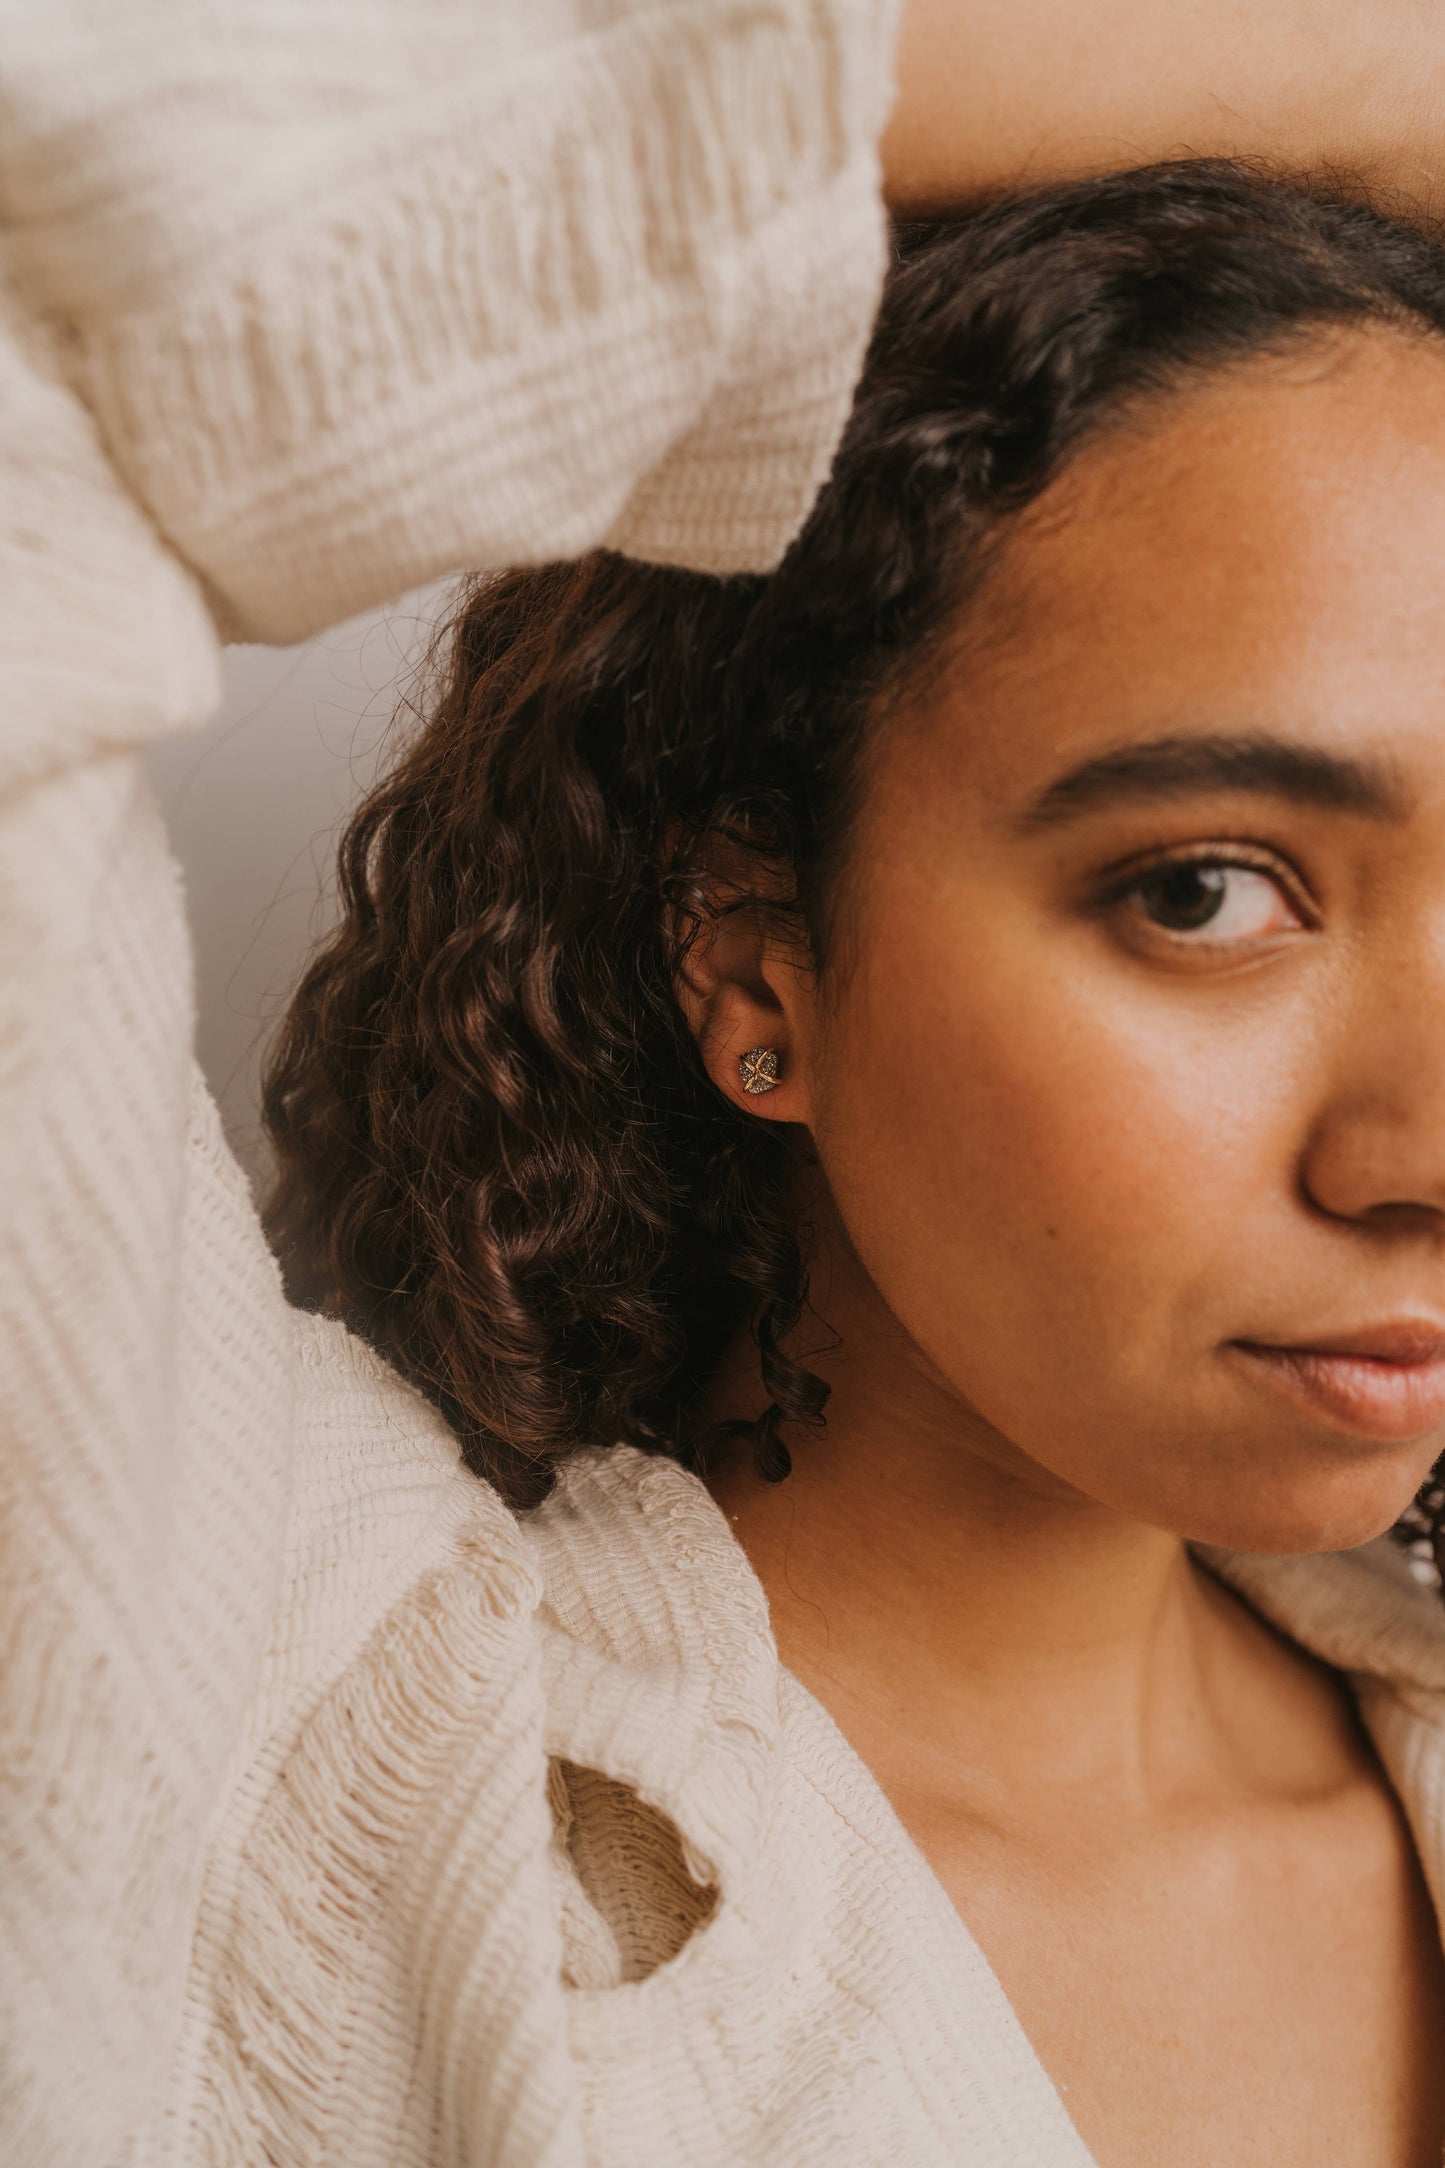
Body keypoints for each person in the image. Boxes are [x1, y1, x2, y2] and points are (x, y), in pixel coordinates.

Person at [5, 6, 1445, 2167]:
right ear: (749, 956)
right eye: (1204, 889)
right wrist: (1373, 79)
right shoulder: (310, 1771)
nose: (1422, 1153)